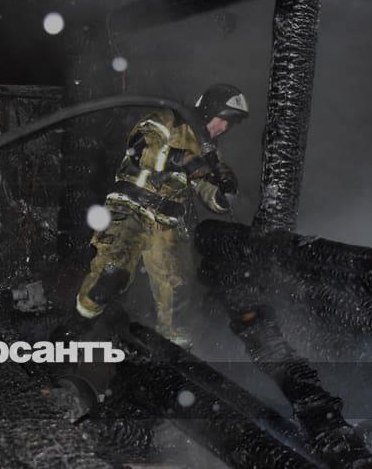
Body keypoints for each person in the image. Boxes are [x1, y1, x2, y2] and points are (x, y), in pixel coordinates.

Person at [68, 83, 249, 347]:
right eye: (223, 119)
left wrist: (224, 192)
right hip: (131, 209)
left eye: (229, 124)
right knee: (111, 276)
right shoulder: (168, 120)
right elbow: (139, 149)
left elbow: (208, 193)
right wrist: (182, 159)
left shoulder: (210, 151)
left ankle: (175, 350)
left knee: (176, 290)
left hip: (166, 224)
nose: (224, 128)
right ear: (210, 109)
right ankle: (74, 329)